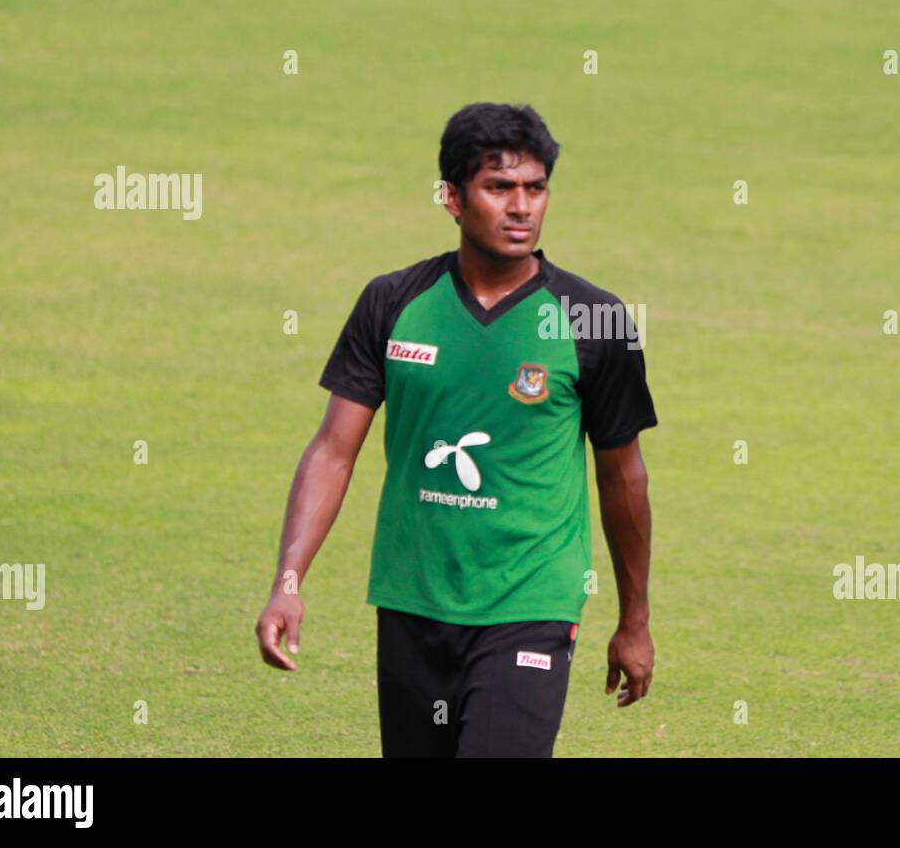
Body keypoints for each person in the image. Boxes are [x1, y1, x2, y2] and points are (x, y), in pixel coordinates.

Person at [255, 102, 658, 757]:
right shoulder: (393, 304)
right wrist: (288, 582)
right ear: (450, 197)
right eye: (499, 188)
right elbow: (333, 451)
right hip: (413, 600)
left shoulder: (593, 320)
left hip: (530, 604)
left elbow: (623, 476)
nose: (522, 207)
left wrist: (634, 621)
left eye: (535, 188)